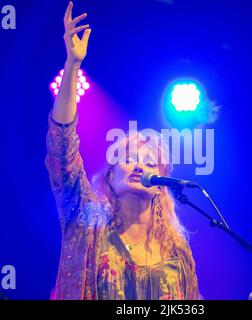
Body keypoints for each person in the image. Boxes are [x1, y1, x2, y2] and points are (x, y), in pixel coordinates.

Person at [45, 1, 200, 300]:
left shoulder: (178, 251)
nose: (139, 166)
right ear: (110, 177)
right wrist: (72, 65)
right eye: (128, 159)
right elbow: (62, 147)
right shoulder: (86, 224)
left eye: (149, 162)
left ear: (161, 186)